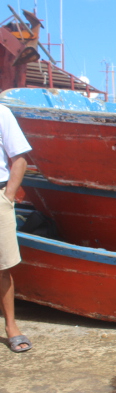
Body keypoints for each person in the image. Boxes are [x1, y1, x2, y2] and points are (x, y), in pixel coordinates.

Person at [0, 104, 30, 352]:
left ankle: (11, 326)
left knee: (3, 266)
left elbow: (20, 158)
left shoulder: (1, 112)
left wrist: (7, 197)